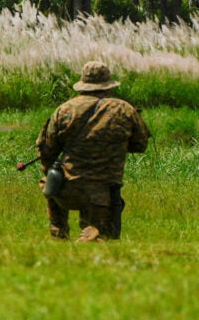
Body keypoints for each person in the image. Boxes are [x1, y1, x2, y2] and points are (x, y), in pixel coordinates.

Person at [26, 60, 150, 242]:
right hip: (103, 193)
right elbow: (140, 145)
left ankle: (58, 231)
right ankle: (93, 230)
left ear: (83, 84)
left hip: (65, 191)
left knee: (50, 176)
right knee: (105, 236)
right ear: (108, 85)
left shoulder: (64, 110)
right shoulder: (125, 109)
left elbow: (46, 151)